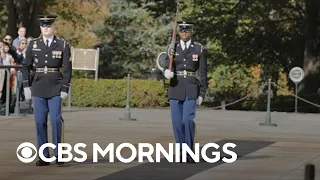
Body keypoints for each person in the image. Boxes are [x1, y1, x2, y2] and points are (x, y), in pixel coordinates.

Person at [22, 14, 72, 166]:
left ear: (53, 27)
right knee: (39, 121)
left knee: (56, 120)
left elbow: (67, 69)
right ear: (40, 28)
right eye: (44, 26)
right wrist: (26, 86)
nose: (46, 29)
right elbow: (26, 66)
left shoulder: (62, 44)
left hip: (55, 86)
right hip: (38, 86)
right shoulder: (33, 44)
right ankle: (44, 156)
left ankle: (59, 154)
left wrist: (65, 87)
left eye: (49, 26)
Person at [163, 21, 208, 163]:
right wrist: (166, 72)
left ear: (191, 32)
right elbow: (165, 64)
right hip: (175, 87)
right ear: (178, 32)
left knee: (187, 121)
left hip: (191, 88)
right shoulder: (172, 48)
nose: (184, 33)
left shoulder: (199, 49)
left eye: (186, 30)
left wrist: (202, 93)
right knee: (177, 123)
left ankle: (189, 151)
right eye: (181, 31)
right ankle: (181, 151)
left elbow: (203, 73)